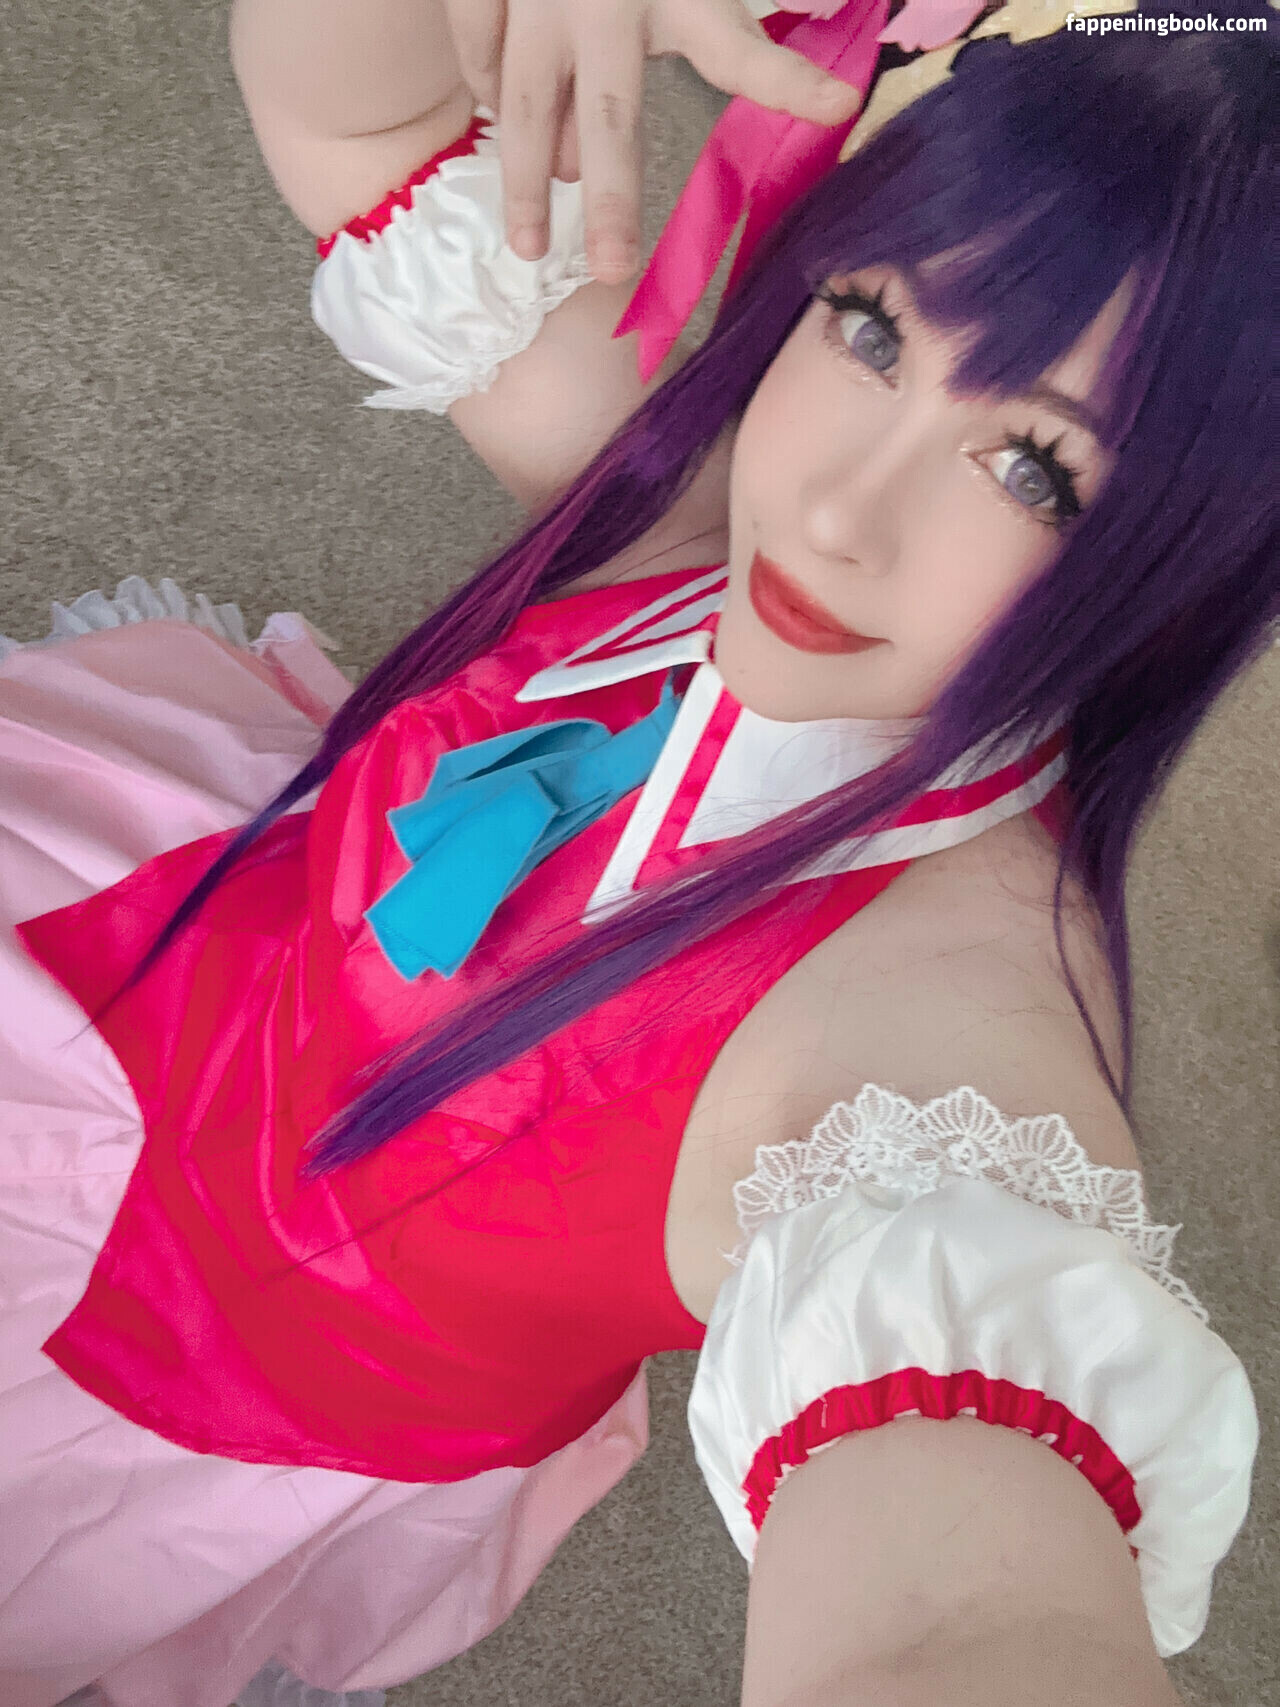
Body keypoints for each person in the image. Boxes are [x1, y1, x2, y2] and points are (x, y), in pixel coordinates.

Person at [0, 2, 1273, 1704]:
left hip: (228, 1391)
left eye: (1035, 467)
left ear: (1191, 567)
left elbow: (965, 1618)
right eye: (875, 327)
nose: (833, 511)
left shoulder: (942, 1023)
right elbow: (360, 126)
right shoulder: (687, 504)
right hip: (129, 973)